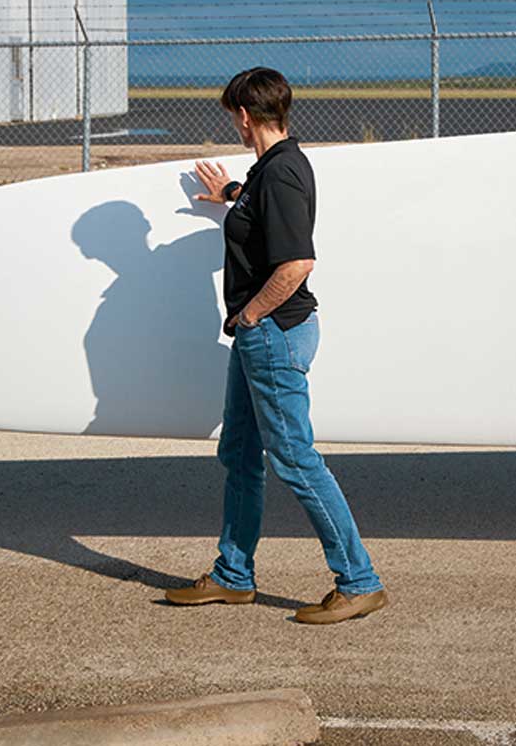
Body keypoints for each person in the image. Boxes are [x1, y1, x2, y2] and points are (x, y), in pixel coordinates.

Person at [164, 66, 388, 625]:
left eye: (232, 119)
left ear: (244, 116)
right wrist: (232, 195)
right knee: (239, 453)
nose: (233, 128)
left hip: (272, 333)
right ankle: (233, 575)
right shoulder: (267, 171)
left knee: (294, 457)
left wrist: (250, 314)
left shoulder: (284, 172)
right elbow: (261, 216)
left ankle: (359, 581)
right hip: (257, 336)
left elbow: (297, 262)